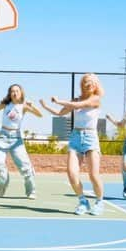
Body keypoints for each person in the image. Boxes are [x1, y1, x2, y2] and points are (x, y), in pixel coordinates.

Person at [39, 73, 106, 215]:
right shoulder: (75, 99)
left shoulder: (96, 99)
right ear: (82, 84)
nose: (88, 84)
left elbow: (78, 105)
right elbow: (60, 113)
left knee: (93, 175)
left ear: (95, 85)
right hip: (75, 137)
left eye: (91, 82)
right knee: (71, 173)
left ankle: (99, 201)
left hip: (90, 137)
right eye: (86, 81)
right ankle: (83, 201)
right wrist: (45, 106)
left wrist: (58, 101)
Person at [0, 84, 43, 199]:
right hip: (3, 136)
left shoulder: (24, 106)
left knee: (25, 166)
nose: (15, 93)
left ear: (21, 93)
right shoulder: (6, 105)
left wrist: (34, 106)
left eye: (17, 91)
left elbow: (39, 115)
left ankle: (31, 191)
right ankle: (3, 183)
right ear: (9, 94)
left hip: (16, 138)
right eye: (12, 91)